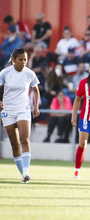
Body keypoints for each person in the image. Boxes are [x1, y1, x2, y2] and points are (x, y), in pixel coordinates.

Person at [0, 48, 40, 183]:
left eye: (25, 59)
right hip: (8, 110)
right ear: (14, 60)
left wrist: (36, 106)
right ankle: (23, 173)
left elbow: (36, 90)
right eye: (20, 59)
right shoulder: (5, 73)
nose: (24, 62)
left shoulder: (30, 74)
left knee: (24, 140)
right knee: (15, 144)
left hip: (23, 108)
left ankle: (27, 172)